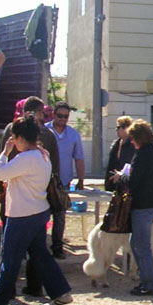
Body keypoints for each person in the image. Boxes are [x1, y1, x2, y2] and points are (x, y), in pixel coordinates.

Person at [0, 117, 72, 305]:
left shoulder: (26, 158)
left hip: (22, 215)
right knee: (40, 255)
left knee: (10, 257)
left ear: (19, 138)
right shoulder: (43, 155)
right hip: (38, 211)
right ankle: (61, 292)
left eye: (14, 138)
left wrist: (5, 152)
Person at [0, 96, 61, 298]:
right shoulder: (47, 137)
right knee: (38, 251)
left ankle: (4, 292)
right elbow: (55, 167)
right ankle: (36, 287)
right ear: (40, 112)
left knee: (10, 251)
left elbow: (0, 164)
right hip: (38, 201)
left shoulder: (12, 130)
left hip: (16, 200)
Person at [111, 120, 153, 296]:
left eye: (132, 138)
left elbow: (133, 182)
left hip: (143, 205)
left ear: (137, 138)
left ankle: (149, 283)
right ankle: (149, 279)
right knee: (138, 243)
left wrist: (121, 177)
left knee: (141, 245)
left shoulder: (142, 155)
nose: (131, 142)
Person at [45, 101, 86, 259]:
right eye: (59, 115)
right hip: (43, 181)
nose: (62, 119)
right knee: (42, 215)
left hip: (63, 182)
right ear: (54, 115)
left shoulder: (73, 135)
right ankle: (39, 248)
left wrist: (81, 180)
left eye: (66, 116)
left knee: (60, 216)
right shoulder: (44, 131)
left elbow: (79, 159)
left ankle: (57, 247)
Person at [104, 115, 135, 192]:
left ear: (126, 128)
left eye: (118, 127)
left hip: (125, 183)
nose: (116, 130)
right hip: (114, 183)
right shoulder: (116, 144)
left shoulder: (132, 144)